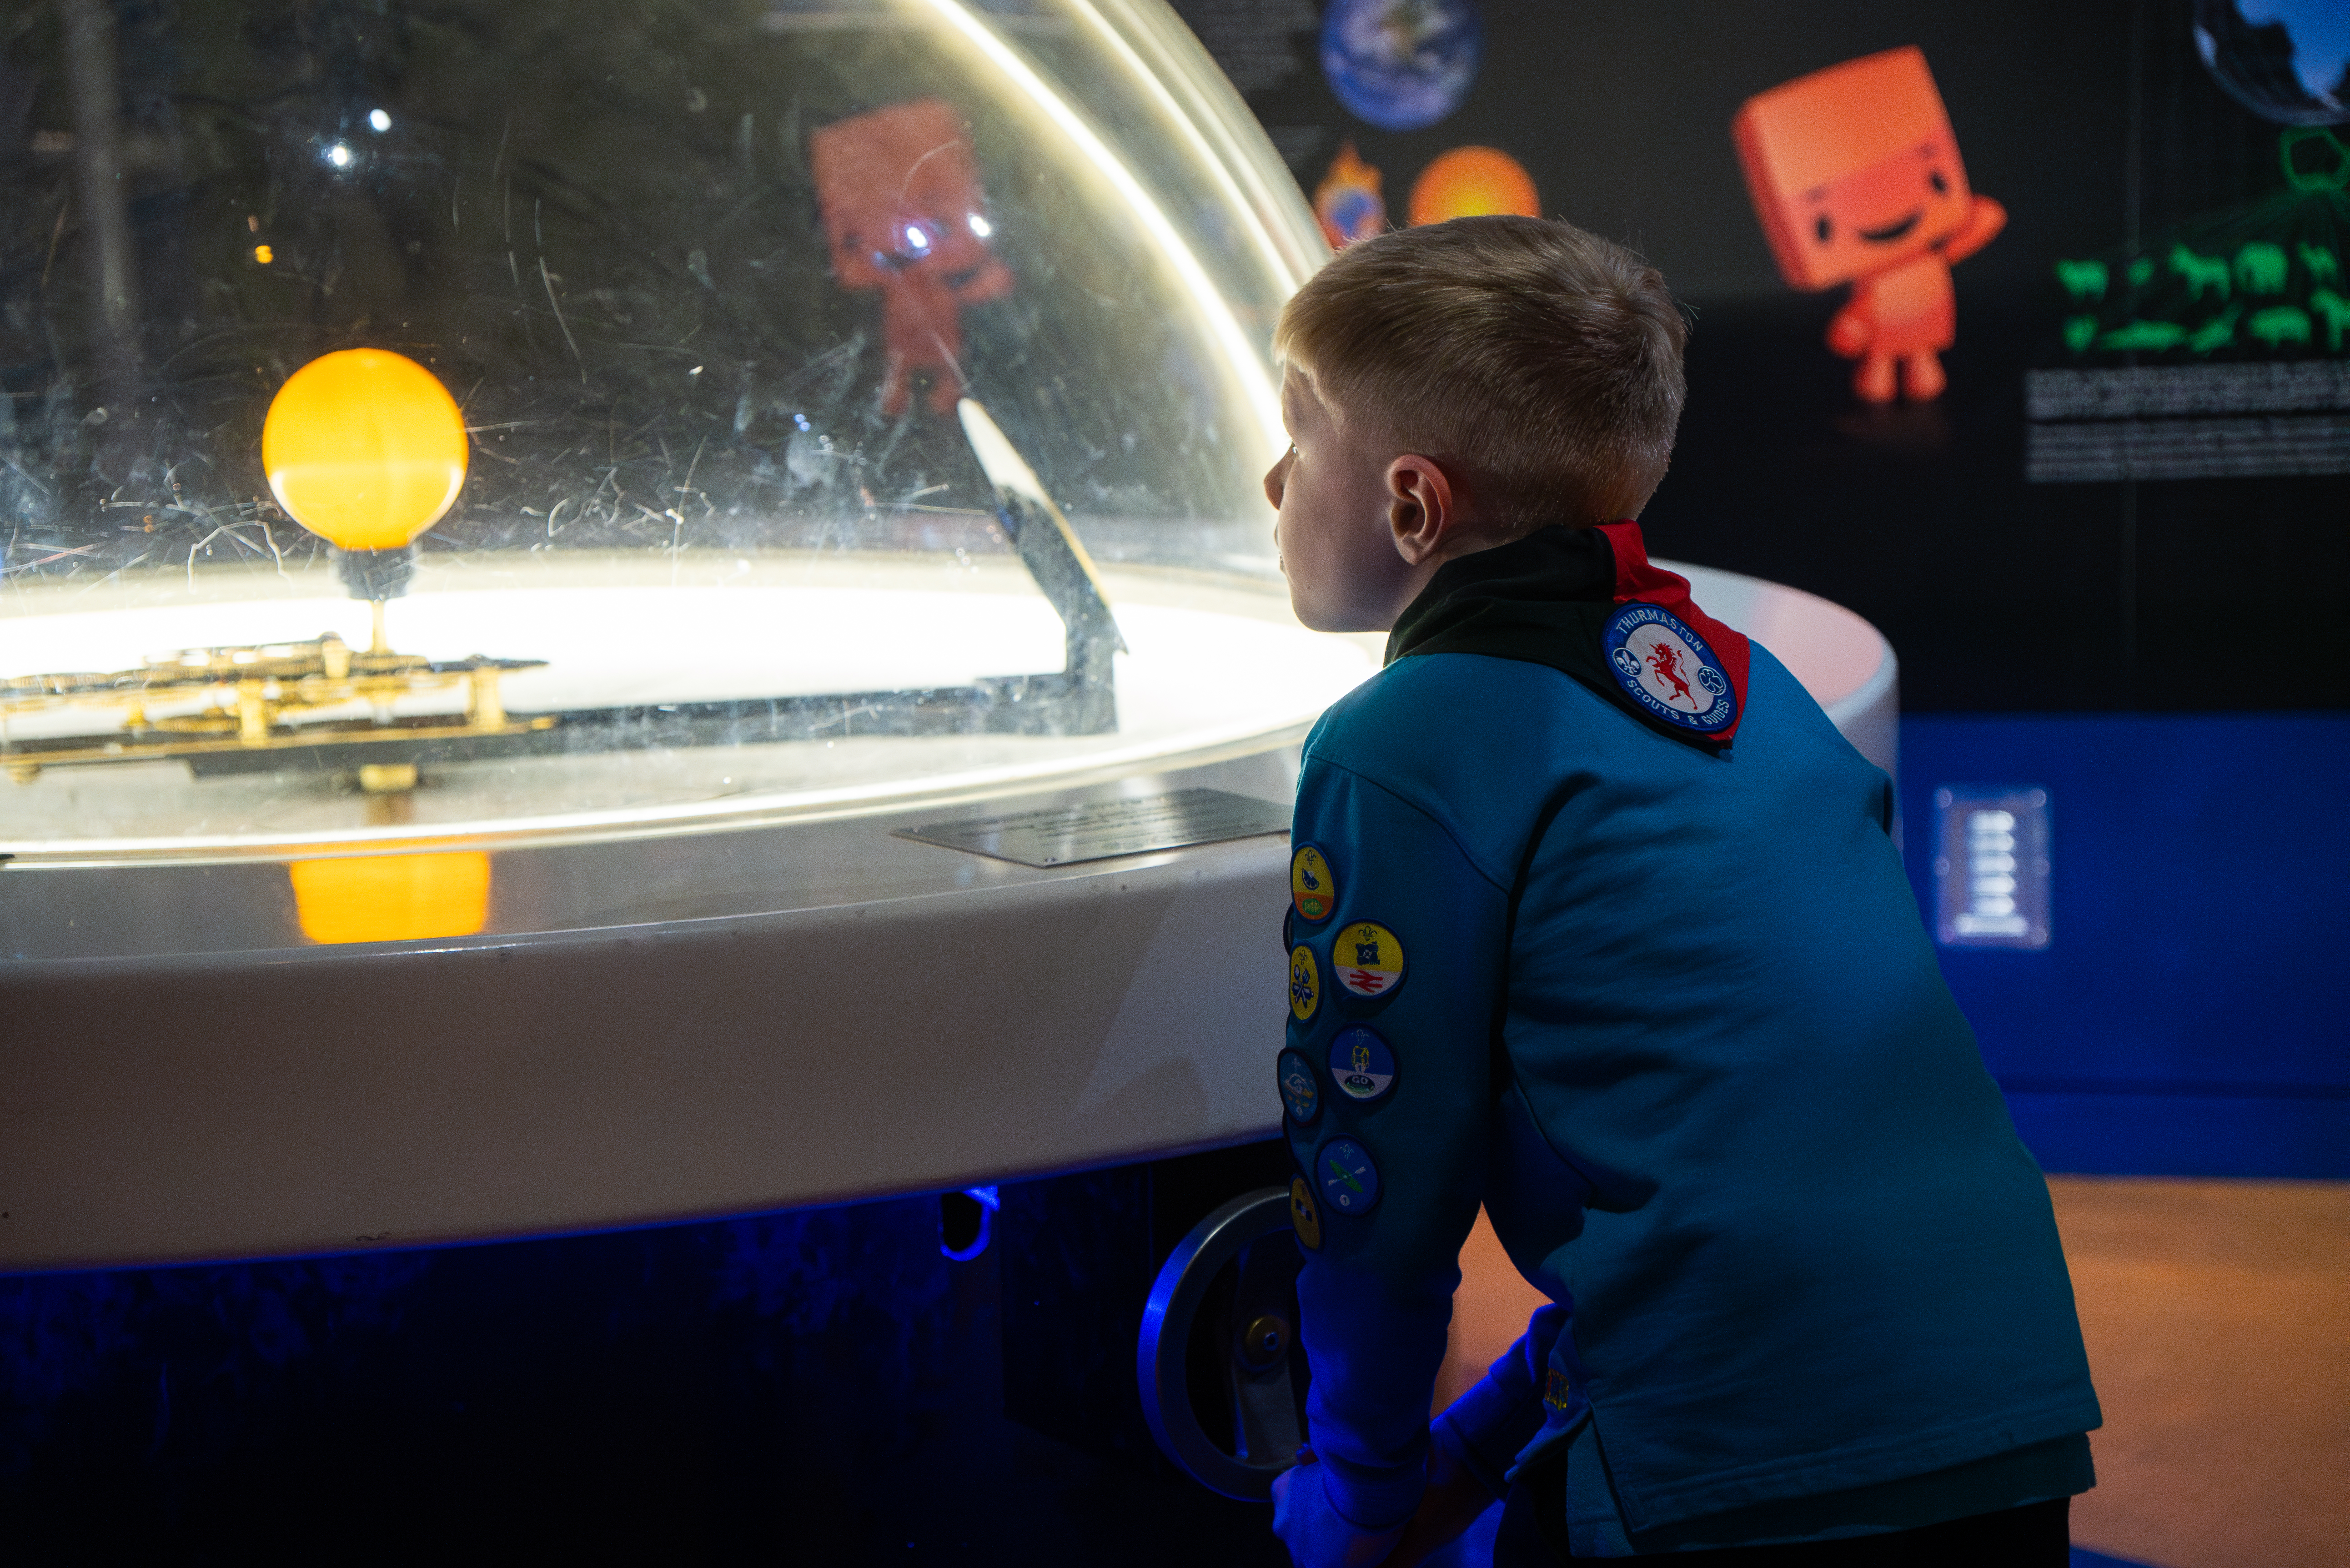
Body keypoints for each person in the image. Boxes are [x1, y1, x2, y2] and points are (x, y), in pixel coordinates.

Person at [1261, 216, 2099, 1566]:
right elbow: (1728, 1152)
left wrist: (1359, 1498)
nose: (1271, 481)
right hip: (2001, 1401)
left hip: (1729, 1461)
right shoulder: (1761, 696)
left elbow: (1379, 1203)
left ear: (1413, 503)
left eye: (1299, 443)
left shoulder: (1400, 747)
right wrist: (1470, 1456)